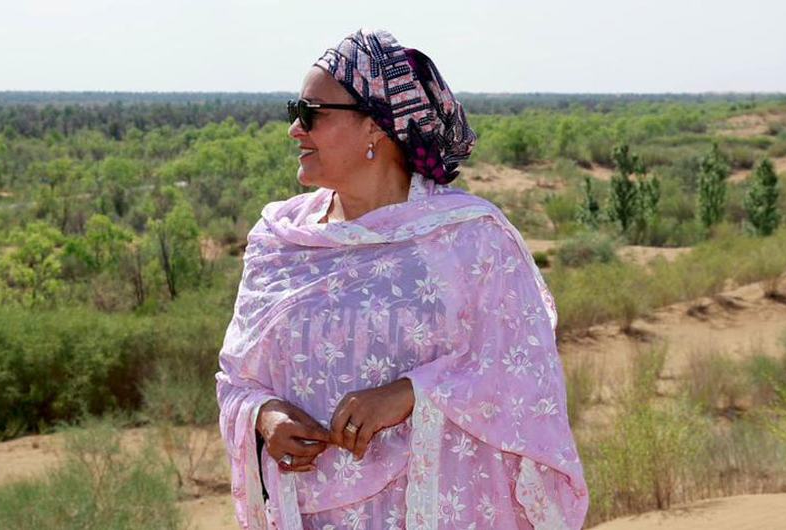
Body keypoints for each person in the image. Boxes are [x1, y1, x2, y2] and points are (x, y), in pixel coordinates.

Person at [215, 28, 588, 529]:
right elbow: (236, 379)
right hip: (310, 513)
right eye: (293, 112)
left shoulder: (469, 240)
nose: (294, 130)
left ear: (376, 127)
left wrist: (411, 394)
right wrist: (264, 417)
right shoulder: (279, 242)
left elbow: (524, 374)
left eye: (311, 114)